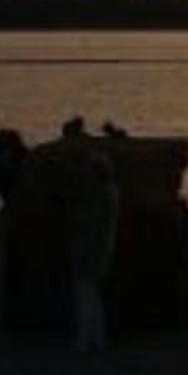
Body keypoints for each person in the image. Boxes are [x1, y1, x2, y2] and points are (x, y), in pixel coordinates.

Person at [69, 140, 118, 352]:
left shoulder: (101, 195)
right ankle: (96, 338)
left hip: (92, 249)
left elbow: (89, 221)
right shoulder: (110, 192)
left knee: (86, 295)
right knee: (93, 295)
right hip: (100, 248)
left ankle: (86, 339)